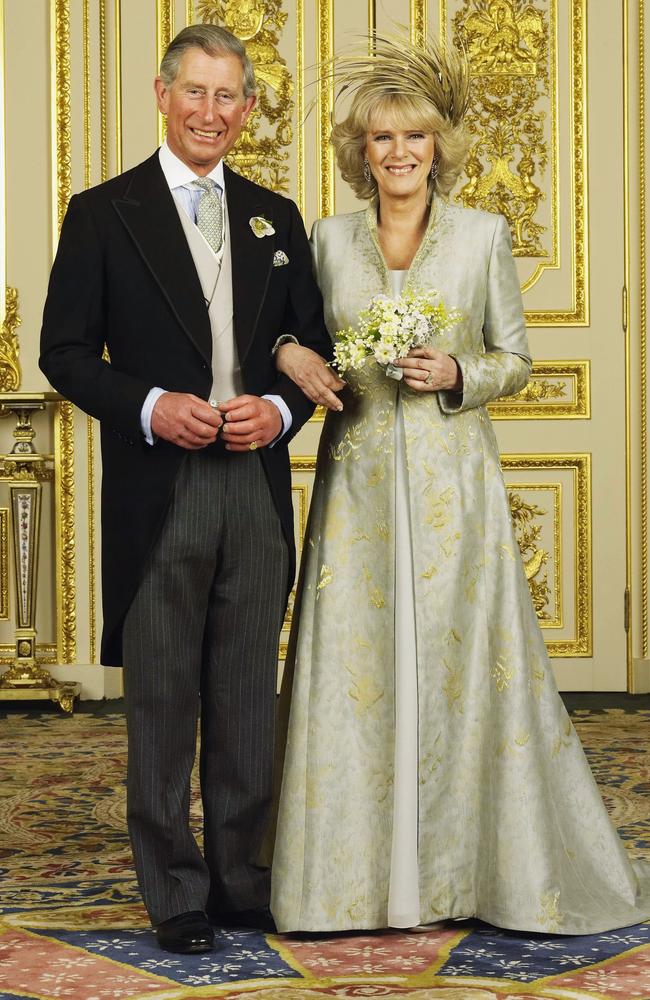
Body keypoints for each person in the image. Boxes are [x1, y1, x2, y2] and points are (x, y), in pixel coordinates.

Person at [269, 34, 650, 934]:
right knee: (357, 666)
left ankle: (465, 873)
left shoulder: (483, 236)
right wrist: (302, 358)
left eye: (414, 138)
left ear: (440, 145)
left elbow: (515, 360)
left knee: (456, 662)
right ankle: (345, 884)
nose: (399, 154)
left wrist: (459, 375)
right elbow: (297, 342)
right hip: (357, 488)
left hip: (453, 489)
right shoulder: (326, 241)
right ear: (360, 152)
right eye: (381, 140)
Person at [39, 24, 331, 954]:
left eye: (227, 97)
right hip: (160, 487)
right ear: (161, 95)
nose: (211, 112)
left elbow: (307, 347)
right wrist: (153, 404)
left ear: (247, 110)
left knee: (248, 694)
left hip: (252, 484)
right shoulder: (101, 212)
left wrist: (281, 415)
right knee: (163, 697)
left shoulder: (274, 214)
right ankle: (175, 891)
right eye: (194, 92)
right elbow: (65, 354)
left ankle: (243, 878)